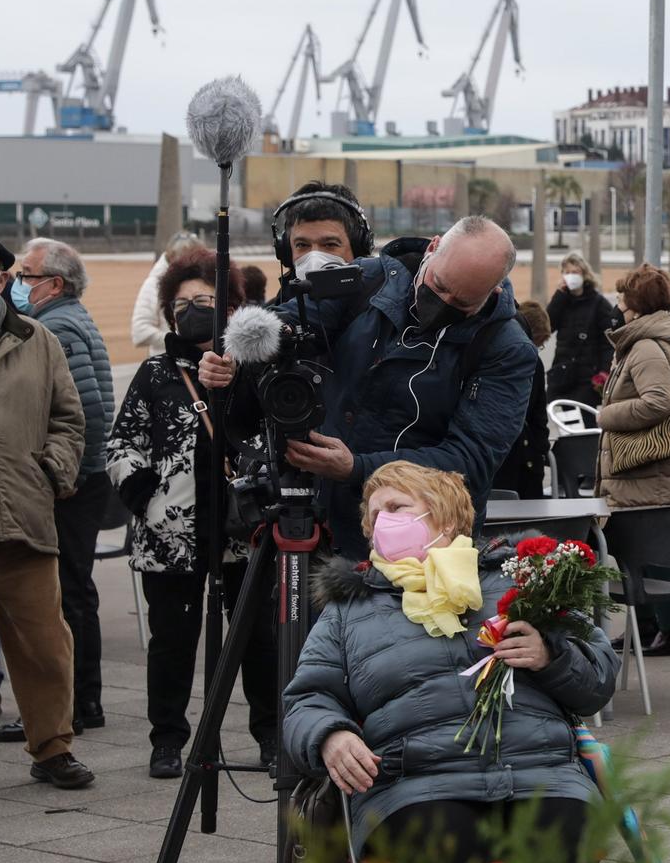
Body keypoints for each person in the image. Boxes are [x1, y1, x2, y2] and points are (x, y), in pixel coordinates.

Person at [284, 462, 617, 863]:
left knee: (563, 846)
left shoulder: (518, 580)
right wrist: (330, 736)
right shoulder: (348, 610)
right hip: (418, 782)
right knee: (448, 851)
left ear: (443, 516)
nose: (383, 522)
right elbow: (306, 699)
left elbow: (599, 679)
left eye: (397, 508)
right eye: (374, 515)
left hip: (539, 770)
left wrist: (550, 654)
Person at [198, 216, 539, 560]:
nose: (443, 301)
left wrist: (358, 468)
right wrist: (237, 354)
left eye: (462, 303)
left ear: (493, 291)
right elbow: (299, 318)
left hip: (420, 540)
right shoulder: (368, 279)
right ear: (433, 247)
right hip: (318, 518)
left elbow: (471, 459)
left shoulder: (507, 349)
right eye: (438, 285)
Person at [106, 252, 277, 778]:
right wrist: (144, 493)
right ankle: (167, 740)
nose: (192, 312)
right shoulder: (156, 372)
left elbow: (276, 435)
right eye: (180, 304)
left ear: (231, 306)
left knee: (258, 640)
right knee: (172, 643)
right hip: (171, 534)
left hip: (243, 531)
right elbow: (122, 443)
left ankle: (271, 735)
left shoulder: (256, 370)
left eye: (204, 301)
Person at [0, 232, 92, 791]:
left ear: (2, 276)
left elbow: (69, 420)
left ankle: (52, 748)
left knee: (44, 644)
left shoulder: (38, 340)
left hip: (21, 514)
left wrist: (51, 474)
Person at [0, 239, 114, 742]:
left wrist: (59, 477)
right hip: (81, 480)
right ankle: (83, 701)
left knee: (65, 597)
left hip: (72, 486)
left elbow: (80, 412)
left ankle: (74, 704)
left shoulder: (57, 327)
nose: (17, 285)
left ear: (54, 284)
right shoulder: (71, 317)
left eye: (26, 275)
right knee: (75, 592)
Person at [597, 265, 670, 656]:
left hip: (652, 474)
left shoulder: (645, 345)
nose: (617, 302)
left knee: (651, 550)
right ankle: (646, 628)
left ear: (635, 303)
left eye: (622, 295)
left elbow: (657, 401)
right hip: (651, 474)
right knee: (636, 553)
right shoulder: (649, 339)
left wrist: (606, 415)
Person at [494, 299, 551, 501]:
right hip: (522, 461)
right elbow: (538, 416)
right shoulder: (531, 361)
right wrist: (542, 450)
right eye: (539, 342)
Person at [546, 253, 619, 408]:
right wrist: (558, 296)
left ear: (585, 275)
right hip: (563, 374)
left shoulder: (599, 304)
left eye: (575, 272)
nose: (571, 276)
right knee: (565, 422)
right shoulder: (562, 300)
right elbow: (547, 327)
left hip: (588, 378)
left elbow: (609, 341)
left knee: (585, 423)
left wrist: (604, 372)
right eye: (567, 272)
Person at [129, 231, 201, 355]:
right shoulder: (154, 284)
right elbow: (140, 331)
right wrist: (178, 342)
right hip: (167, 362)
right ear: (172, 257)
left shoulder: (202, 283)